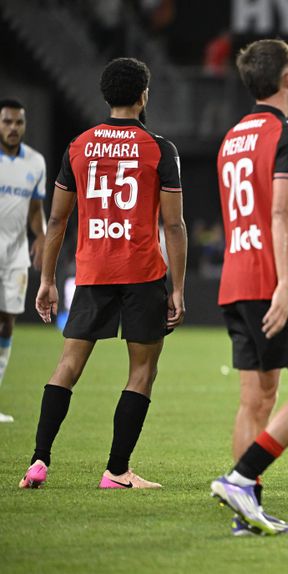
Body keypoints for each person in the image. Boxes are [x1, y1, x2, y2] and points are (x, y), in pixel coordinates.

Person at [18, 57, 187, 489]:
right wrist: (179, 289)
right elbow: (174, 225)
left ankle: (39, 460)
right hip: (143, 272)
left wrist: (48, 280)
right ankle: (116, 471)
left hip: (93, 271)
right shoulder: (158, 148)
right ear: (143, 95)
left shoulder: (79, 145)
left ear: (106, 96)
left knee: (68, 365)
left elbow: (56, 222)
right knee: (142, 371)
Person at [209, 39, 288, 537]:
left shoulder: (231, 138)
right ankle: (241, 480)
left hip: (235, 278)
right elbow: (280, 210)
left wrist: (287, 218)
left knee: (256, 400)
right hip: (271, 281)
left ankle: (247, 511)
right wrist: (286, 285)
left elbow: (254, 209)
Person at [0, 99, 47, 423]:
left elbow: (34, 209)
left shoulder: (36, 162)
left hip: (16, 255)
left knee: (7, 323)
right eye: (7, 122)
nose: (13, 128)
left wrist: (42, 237)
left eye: (18, 122)